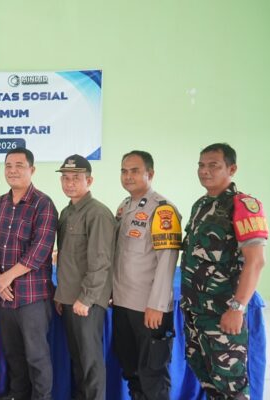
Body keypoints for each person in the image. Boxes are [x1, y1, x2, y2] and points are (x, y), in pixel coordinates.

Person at [181, 143, 267, 399]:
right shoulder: (201, 205)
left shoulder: (243, 205)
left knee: (231, 384)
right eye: (201, 165)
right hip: (196, 311)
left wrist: (237, 308)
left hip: (223, 312)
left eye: (213, 165)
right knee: (207, 378)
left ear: (232, 169)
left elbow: (256, 261)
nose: (204, 171)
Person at [0, 148, 58, 400]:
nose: (12, 170)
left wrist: (7, 277)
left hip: (32, 297)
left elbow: (39, 251)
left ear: (32, 170)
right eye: (8, 165)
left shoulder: (43, 204)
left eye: (19, 165)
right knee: (13, 355)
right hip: (4, 296)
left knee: (37, 357)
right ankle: (18, 395)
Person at [112, 151, 181, 400]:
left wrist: (157, 305)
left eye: (134, 171)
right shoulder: (124, 207)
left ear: (149, 174)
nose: (128, 176)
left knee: (153, 376)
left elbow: (167, 262)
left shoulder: (163, 211)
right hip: (122, 304)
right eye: (124, 171)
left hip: (148, 308)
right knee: (131, 371)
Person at [54, 154, 115, 400]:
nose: (69, 183)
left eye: (76, 178)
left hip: (86, 302)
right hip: (70, 298)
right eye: (65, 178)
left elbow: (101, 261)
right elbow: (67, 258)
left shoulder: (97, 213)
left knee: (90, 362)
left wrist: (86, 298)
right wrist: (62, 295)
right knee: (78, 361)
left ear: (89, 181)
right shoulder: (67, 212)